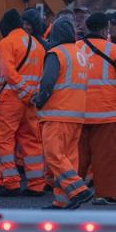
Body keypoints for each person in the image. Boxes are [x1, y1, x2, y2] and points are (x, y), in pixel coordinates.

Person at [33, 12, 96, 210]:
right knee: (67, 158)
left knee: (54, 155)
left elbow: (47, 82)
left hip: (57, 113)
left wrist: (39, 101)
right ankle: (63, 200)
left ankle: (78, 190)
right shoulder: (80, 54)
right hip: (76, 114)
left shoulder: (56, 53)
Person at [77, 11, 116, 204]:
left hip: (78, 111)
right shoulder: (115, 51)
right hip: (107, 112)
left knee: (77, 156)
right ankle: (105, 194)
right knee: (105, 157)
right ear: (104, 29)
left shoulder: (74, 49)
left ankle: (72, 191)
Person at [0, 8, 46, 197]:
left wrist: (24, 91)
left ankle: (11, 183)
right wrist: (31, 94)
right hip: (31, 102)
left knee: (6, 142)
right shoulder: (37, 45)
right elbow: (40, 75)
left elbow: (8, 72)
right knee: (32, 141)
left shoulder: (7, 42)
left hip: (11, 99)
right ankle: (37, 184)